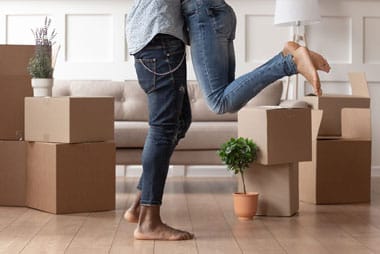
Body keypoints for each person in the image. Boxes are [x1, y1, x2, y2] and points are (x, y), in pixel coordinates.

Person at [124, 0, 330, 241]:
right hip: (161, 33)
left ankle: (145, 213)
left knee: (173, 124)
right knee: (175, 123)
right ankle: (143, 210)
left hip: (161, 32)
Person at [181, 0, 330, 114]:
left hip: (202, 15)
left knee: (219, 102)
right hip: (216, 12)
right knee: (230, 96)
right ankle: (285, 56)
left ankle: (291, 63)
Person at [124, 0, 194, 241]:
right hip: (159, 37)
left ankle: (138, 206)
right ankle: (148, 223)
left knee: (181, 120)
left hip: (155, 36)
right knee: (163, 129)